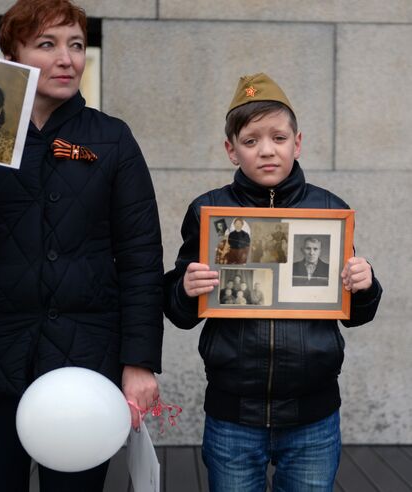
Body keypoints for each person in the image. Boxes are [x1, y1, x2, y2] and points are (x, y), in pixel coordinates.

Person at [0, 1, 164, 490]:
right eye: (46, 45)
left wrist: (139, 363)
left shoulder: (112, 139)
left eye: (75, 45)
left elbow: (140, 260)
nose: (66, 59)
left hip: (85, 367)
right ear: (12, 55)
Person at [164, 72, 382, 492]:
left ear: (297, 143)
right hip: (232, 415)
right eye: (251, 141)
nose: (267, 150)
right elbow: (177, 310)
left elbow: (355, 313)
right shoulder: (207, 211)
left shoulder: (330, 211)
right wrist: (185, 290)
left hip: (313, 417)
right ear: (231, 150)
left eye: (279, 138)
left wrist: (366, 284)